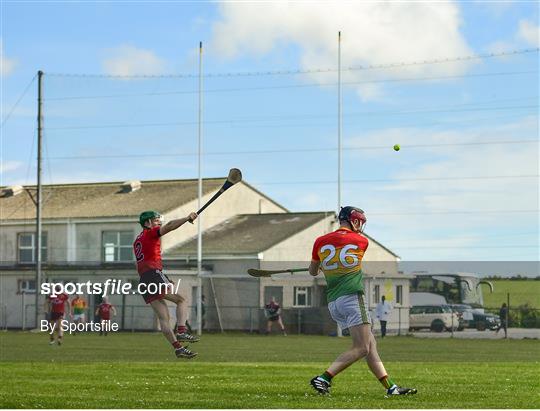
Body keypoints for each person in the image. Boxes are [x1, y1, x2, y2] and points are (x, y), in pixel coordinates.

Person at [308, 206, 416, 396]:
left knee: (370, 344)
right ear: (354, 221)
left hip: (334, 302)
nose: (361, 226)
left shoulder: (320, 241)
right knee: (362, 348)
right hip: (352, 298)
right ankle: (324, 377)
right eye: (360, 222)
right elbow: (347, 257)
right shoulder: (361, 241)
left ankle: (391, 388)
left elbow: (313, 271)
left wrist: (323, 266)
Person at [133, 210, 199, 358]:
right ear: (147, 223)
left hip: (145, 279)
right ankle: (182, 331)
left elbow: (147, 261)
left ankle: (178, 348)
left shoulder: (137, 240)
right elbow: (169, 226)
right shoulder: (150, 233)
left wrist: (164, 277)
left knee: (164, 318)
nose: (159, 223)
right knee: (181, 300)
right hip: (153, 275)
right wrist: (187, 218)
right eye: (156, 220)